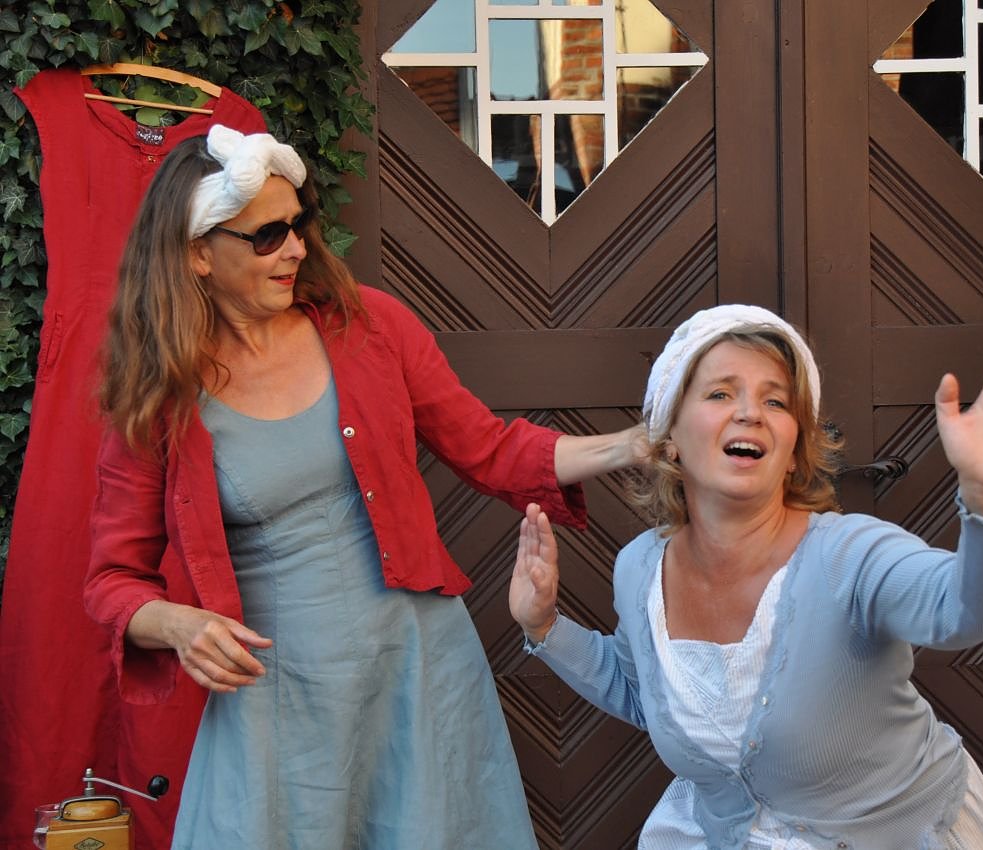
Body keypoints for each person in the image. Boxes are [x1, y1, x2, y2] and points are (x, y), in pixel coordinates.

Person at [84, 124, 642, 850]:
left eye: (298, 224)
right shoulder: (158, 397)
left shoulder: (370, 327)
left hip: (416, 668)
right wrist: (180, 625)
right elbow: (112, 582)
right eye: (267, 235)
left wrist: (631, 445)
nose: (295, 248)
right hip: (277, 698)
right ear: (197, 253)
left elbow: (490, 450)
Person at [510, 304, 983, 849]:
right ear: (668, 436)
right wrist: (544, 626)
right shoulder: (640, 567)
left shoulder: (850, 555)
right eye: (720, 394)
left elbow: (973, 611)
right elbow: (643, 693)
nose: (750, 413)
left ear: (795, 450)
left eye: (775, 401)